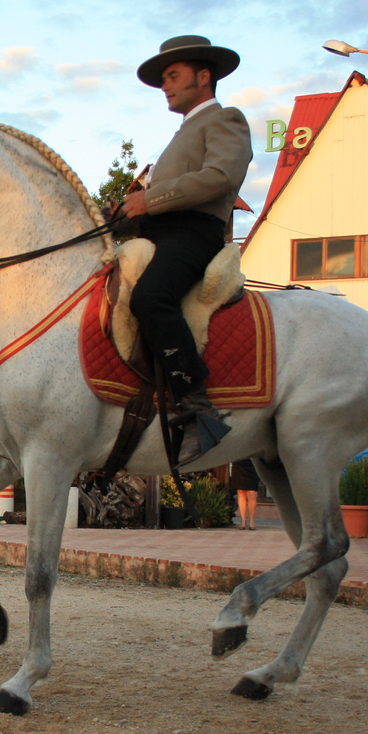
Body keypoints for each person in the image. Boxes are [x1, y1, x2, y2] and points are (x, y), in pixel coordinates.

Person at [115, 35, 253, 463]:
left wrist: (150, 199)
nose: (166, 86)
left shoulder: (226, 119)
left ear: (204, 76)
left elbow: (219, 178)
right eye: (163, 80)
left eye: (173, 76)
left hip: (194, 235)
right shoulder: (183, 132)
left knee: (151, 296)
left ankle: (197, 405)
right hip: (159, 234)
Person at [229, 458, 260, 530]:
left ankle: (252, 520)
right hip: (239, 462)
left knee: (252, 493)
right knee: (241, 492)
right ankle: (243, 520)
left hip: (253, 461)